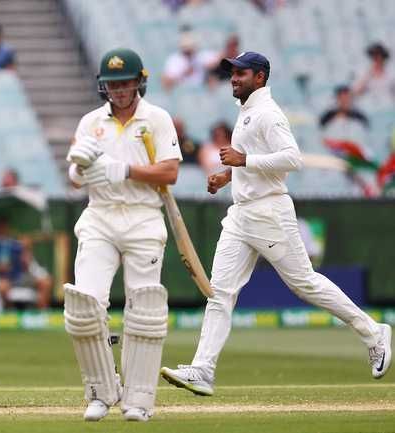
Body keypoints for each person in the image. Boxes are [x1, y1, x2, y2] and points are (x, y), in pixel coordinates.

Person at [160, 51, 392, 397]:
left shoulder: (268, 113)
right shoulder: (247, 112)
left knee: (305, 284)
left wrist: (243, 159)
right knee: (219, 292)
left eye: (241, 73)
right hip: (241, 214)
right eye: (232, 73)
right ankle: (203, 370)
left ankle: (374, 333)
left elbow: (292, 159)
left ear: (261, 77)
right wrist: (228, 175)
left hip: (269, 212)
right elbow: (252, 163)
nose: (234, 78)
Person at [65, 48, 181, 422]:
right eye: (112, 84)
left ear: (139, 82)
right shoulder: (90, 122)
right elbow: (75, 176)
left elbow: (169, 173)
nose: (117, 90)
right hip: (99, 216)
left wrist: (126, 171)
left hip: (143, 218)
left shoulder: (157, 119)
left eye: (124, 82)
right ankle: (101, 391)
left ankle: (139, 401)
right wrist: (79, 170)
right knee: (85, 306)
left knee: (143, 309)